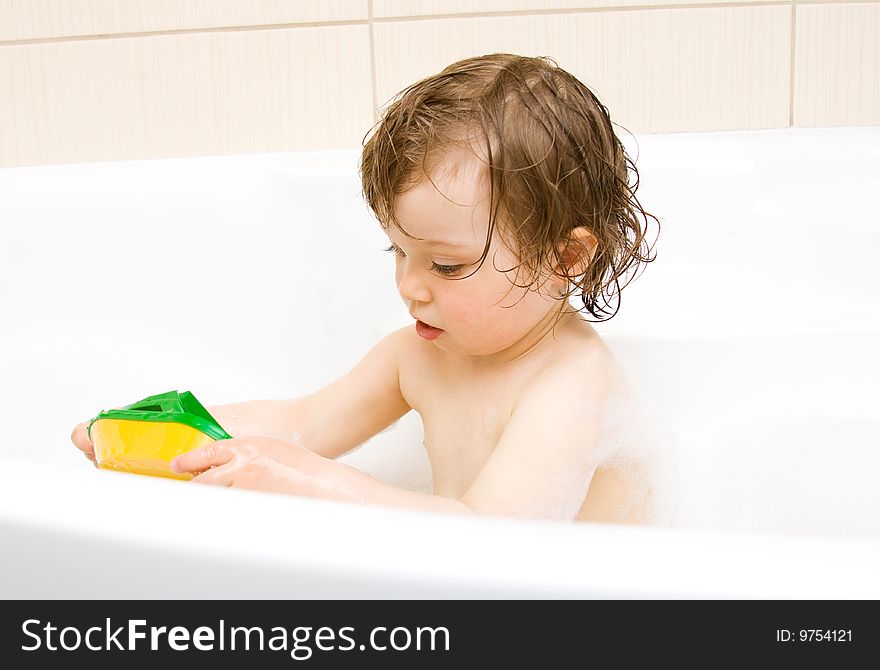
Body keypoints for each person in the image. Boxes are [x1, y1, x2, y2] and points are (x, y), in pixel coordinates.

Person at [71, 53, 661, 524]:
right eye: (398, 252)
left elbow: (498, 541)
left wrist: (311, 482)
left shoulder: (571, 388)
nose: (409, 286)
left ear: (565, 258)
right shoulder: (419, 353)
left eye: (446, 267)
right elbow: (305, 422)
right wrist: (178, 438)